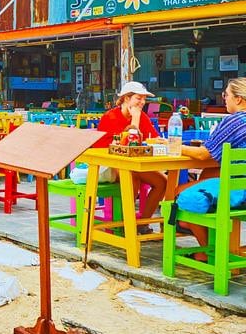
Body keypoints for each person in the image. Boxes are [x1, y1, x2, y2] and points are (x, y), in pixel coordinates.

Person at [178, 77, 246, 247]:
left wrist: (172, 146)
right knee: (208, 179)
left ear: (238, 99)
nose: (225, 99)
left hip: (239, 192)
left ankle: (208, 251)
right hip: (239, 186)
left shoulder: (235, 121)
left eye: (226, 95)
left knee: (177, 195)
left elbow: (203, 155)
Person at [94, 81, 166, 225]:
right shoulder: (111, 117)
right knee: (131, 177)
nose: (142, 102)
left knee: (162, 182)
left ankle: (143, 223)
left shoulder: (143, 117)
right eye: (138, 98)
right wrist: (135, 119)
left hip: (134, 164)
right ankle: (126, 225)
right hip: (109, 165)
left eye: (144, 99)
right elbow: (128, 144)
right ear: (126, 98)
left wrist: (159, 141)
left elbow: (152, 138)